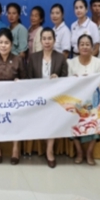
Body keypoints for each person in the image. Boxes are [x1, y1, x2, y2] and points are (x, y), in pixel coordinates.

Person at [0, 28, 26, 165]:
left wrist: (19, 82)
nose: (3, 45)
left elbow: (26, 81)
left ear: (11, 45)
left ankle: (15, 149)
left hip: (14, 99)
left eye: (6, 43)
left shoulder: (18, 60)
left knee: (18, 117)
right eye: (0, 42)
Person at [26, 27, 68, 168]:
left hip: (55, 99)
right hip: (37, 98)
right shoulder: (33, 58)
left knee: (53, 116)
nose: (47, 41)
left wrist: (58, 78)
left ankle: (49, 150)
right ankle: (45, 147)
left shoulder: (60, 58)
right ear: (40, 41)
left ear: (54, 40)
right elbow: (29, 79)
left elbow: (66, 79)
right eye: (44, 39)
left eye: (50, 38)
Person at [68, 34, 100, 166]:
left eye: (87, 44)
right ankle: (79, 151)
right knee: (70, 116)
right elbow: (68, 83)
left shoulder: (99, 62)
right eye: (82, 44)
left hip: (94, 100)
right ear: (77, 47)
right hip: (76, 100)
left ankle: (89, 152)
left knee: (98, 116)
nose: (84, 47)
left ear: (92, 47)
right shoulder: (70, 62)